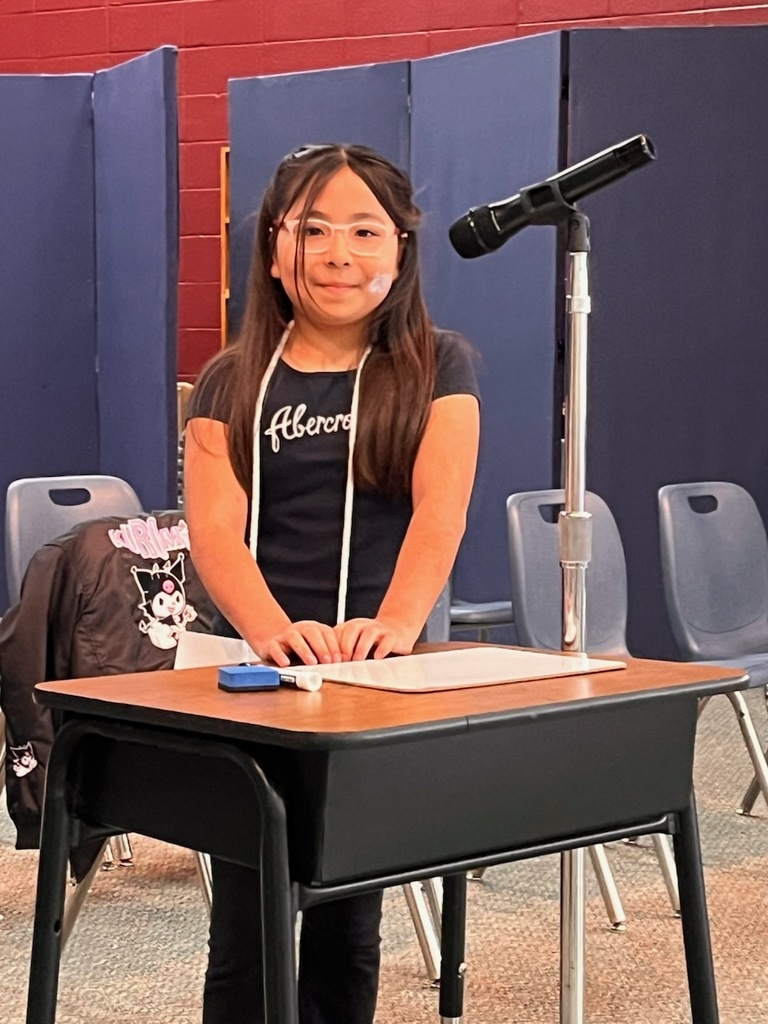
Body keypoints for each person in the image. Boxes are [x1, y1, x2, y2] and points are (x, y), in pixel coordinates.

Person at [184, 142, 481, 1024]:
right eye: (313, 229)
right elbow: (214, 531)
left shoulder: (441, 365)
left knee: (349, 918)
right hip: (249, 677)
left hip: (372, 680)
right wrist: (272, 631)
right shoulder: (226, 380)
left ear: (400, 249)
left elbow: (441, 513)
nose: (339, 253)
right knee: (246, 923)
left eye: (364, 229)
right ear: (275, 248)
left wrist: (392, 628)